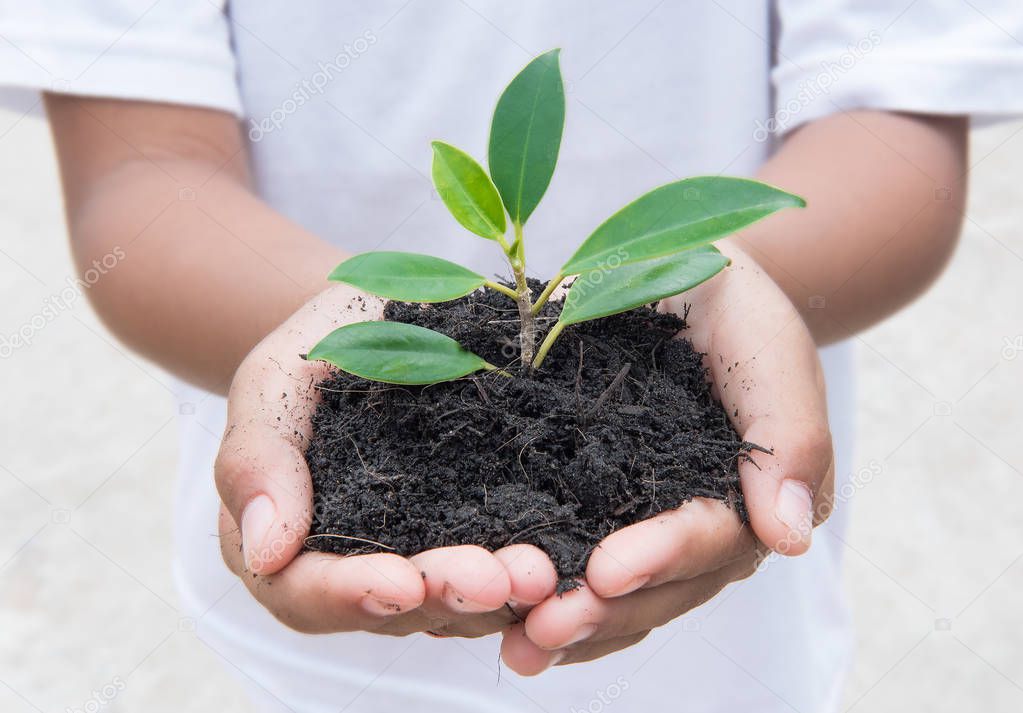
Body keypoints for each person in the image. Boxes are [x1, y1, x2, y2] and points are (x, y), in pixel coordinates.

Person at [2, 1, 1019, 711]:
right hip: (322, 637)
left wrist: (728, 275)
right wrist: (348, 327)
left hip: (738, 646)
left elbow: (897, 127)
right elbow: (139, 185)